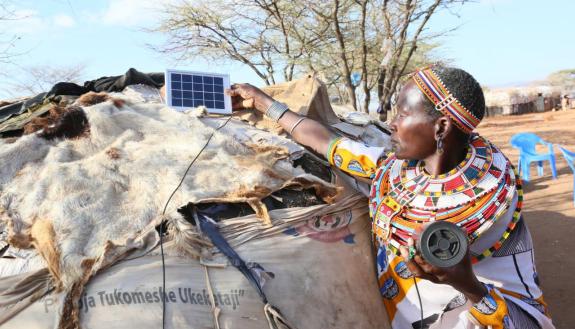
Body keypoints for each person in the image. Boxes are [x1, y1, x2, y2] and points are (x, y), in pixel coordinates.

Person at [226, 66, 554, 329]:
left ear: (440, 128)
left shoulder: (495, 211)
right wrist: (263, 102)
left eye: (401, 114)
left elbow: (529, 320)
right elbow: (323, 140)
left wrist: (468, 285)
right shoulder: (389, 170)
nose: (390, 124)